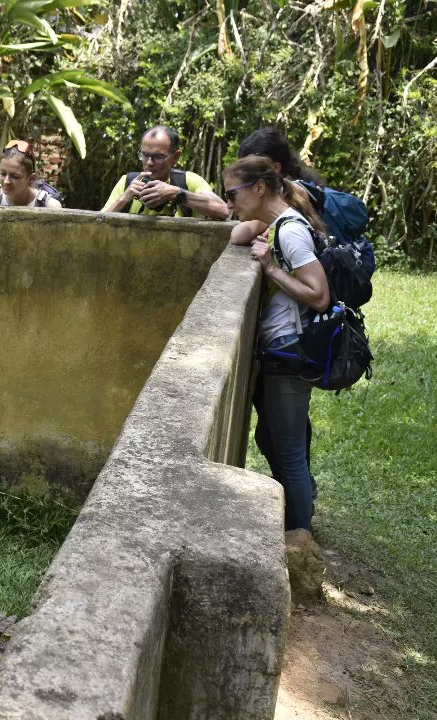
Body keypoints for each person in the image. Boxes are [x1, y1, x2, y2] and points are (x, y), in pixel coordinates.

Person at [225, 154, 330, 531]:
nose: (228, 202)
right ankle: (295, 528)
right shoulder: (275, 224)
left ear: (259, 188)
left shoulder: (290, 231)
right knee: (273, 440)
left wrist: (270, 268)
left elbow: (319, 296)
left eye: (232, 193)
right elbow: (235, 231)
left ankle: (300, 540)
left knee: (289, 456)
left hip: (291, 353)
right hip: (279, 351)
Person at [101, 126, 229, 220]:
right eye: (145, 155)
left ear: (176, 157)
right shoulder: (128, 182)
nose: (149, 163)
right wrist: (124, 198)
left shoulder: (188, 181)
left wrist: (176, 193)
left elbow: (224, 210)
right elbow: (95, 222)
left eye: (158, 157)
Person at [0, 140, 63, 209]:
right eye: (3, 174)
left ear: (31, 178)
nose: (6, 181)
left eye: (15, 177)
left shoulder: (49, 206)